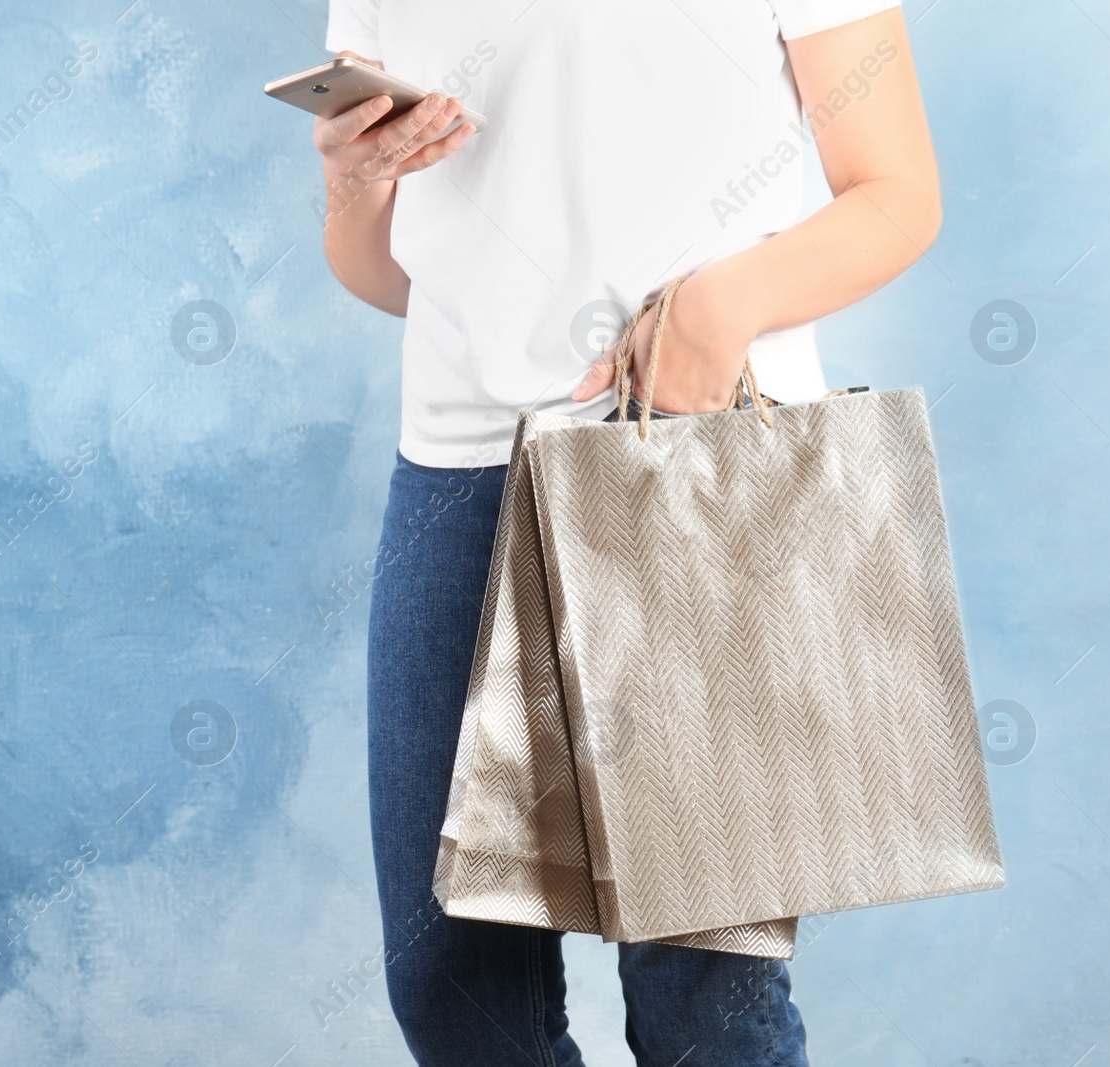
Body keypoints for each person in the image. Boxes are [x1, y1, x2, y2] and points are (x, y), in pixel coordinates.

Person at [313, 2, 941, 1063]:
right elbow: (389, 270)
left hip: (693, 457)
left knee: (704, 990)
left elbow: (897, 193)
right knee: (451, 981)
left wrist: (715, 308)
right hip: (459, 471)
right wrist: (354, 179)